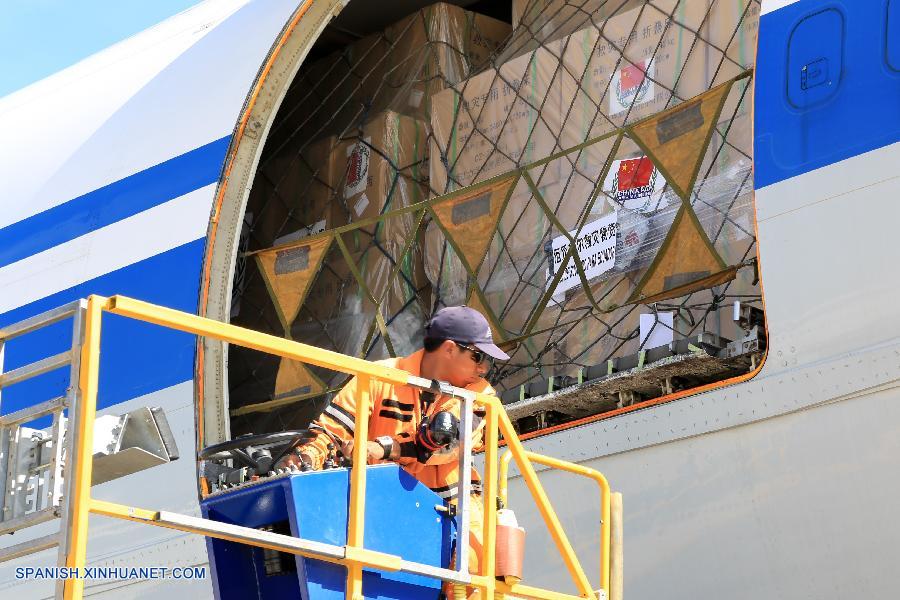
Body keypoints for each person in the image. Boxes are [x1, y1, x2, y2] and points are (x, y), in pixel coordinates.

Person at [284, 305, 509, 583]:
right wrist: (302, 459)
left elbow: (440, 444)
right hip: (382, 511)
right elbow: (328, 432)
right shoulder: (379, 377)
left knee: (475, 566)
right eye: (479, 356)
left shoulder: (482, 396)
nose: (484, 368)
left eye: (488, 360)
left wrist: (383, 447)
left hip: (452, 517)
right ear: (450, 349)